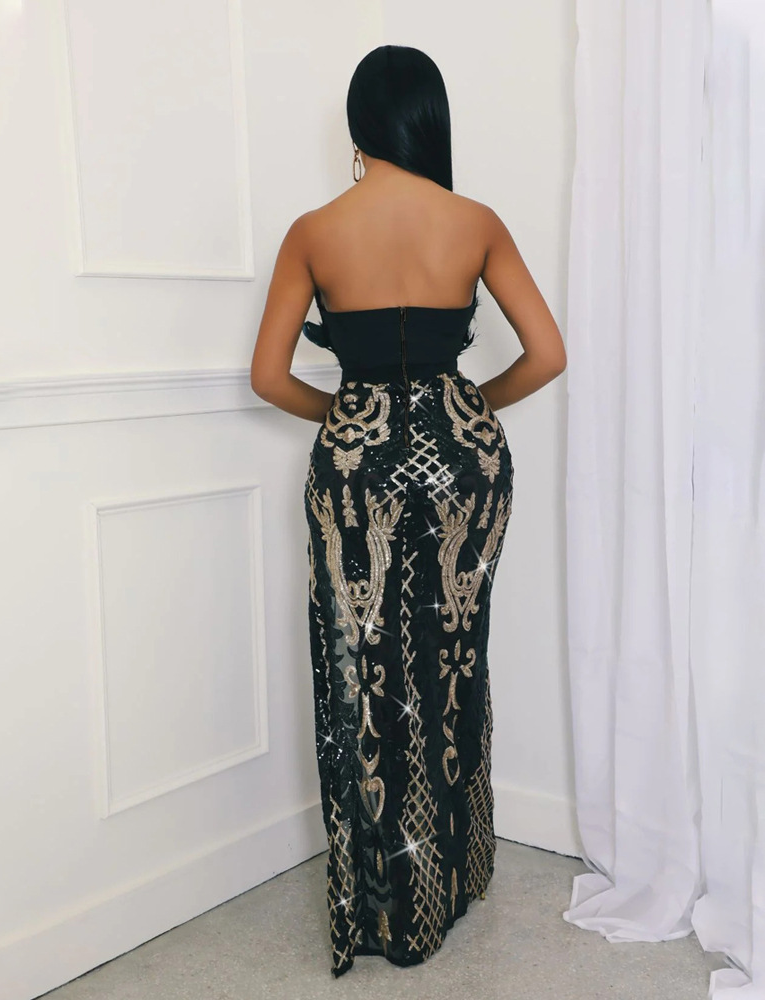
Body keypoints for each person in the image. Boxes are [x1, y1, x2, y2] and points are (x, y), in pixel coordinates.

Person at [250, 44, 566, 978]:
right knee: (451, 659)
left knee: (367, 674)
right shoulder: (474, 221)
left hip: (357, 479)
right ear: (428, 120)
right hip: (467, 473)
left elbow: (268, 377)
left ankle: (386, 904)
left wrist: (350, 418)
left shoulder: (313, 230)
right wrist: (465, 410)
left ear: (359, 127)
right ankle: (453, 876)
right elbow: (547, 353)